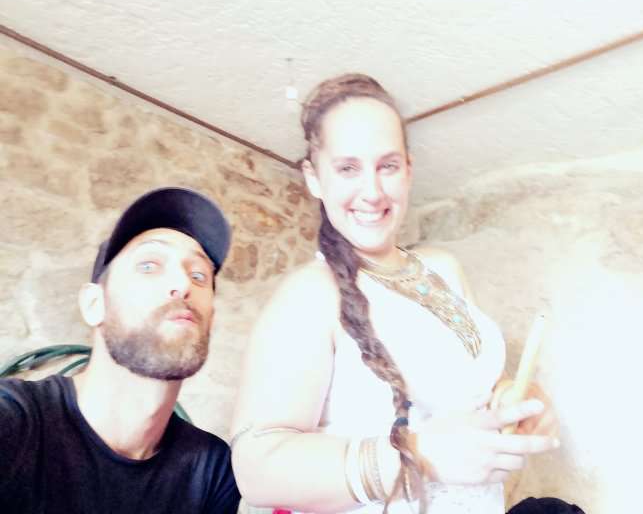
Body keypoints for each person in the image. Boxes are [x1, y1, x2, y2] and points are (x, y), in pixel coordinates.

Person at [231, 74, 572, 513]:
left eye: (387, 166)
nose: (372, 192)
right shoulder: (309, 295)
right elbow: (257, 469)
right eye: (348, 168)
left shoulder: (444, 268)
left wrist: (515, 398)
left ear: (408, 170)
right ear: (314, 178)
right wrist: (419, 456)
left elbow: (473, 388)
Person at [0, 187, 240, 513]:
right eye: (149, 266)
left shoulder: (213, 470)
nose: (183, 284)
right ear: (94, 304)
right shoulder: (14, 422)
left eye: (199, 275)